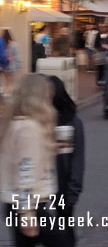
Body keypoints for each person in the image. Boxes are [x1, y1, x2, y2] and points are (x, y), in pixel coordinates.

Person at [0, 74, 67, 246]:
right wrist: (27, 213)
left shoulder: (13, 124)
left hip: (15, 203)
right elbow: (25, 171)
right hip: (29, 205)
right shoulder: (30, 128)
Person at [49, 76, 84, 247]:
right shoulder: (41, 120)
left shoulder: (68, 123)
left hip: (62, 188)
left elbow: (75, 160)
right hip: (44, 187)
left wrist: (73, 191)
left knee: (64, 229)